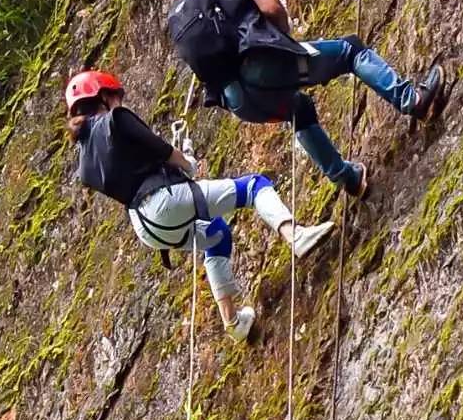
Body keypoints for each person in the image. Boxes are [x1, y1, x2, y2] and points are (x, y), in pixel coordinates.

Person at [167, 0, 447, 198]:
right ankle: (414, 100)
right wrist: (282, 31)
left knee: (299, 109)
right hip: (263, 68)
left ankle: (349, 178)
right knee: (350, 50)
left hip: (238, 101)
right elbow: (271, 8)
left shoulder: (186, 3)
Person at [65, 69, 334, 343]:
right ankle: (295, 236)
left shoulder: (84, 165)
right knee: (255, 186)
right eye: (116, 96)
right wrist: (186, 163)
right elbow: (157, 147)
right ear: (104, 97)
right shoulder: (116, 119)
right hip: (164, 201)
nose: (119, 101)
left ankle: (233, 322)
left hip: (146, 227)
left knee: (215, 234)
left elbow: (135, 166)